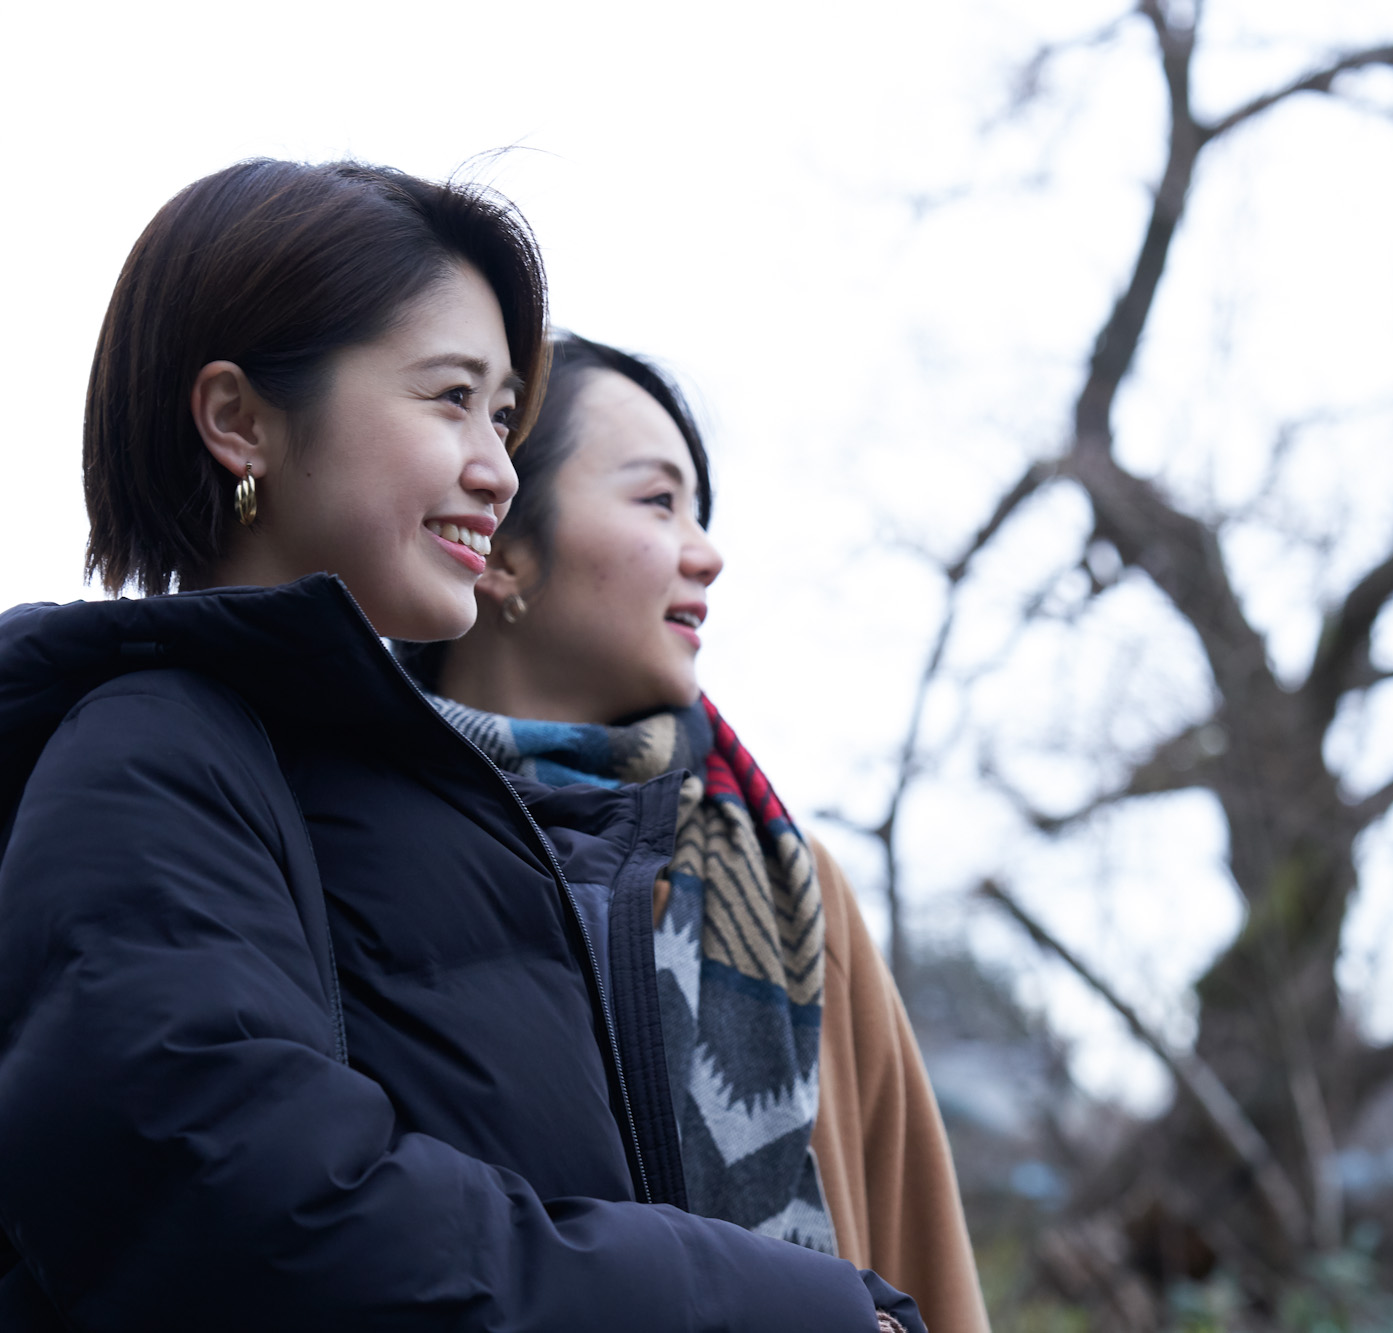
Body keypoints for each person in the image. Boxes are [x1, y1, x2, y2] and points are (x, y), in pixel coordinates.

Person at [0, 159, 921, 1332]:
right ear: (239, 421)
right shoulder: (146, 754)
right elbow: (260, 1224)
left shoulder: (407, 786)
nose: (497, 470)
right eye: (450, 399)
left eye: (503, 416)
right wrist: (781, 1309)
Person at [410, 334, 991, 1333]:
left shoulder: (790, 887)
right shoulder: (345, 849)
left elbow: (923, 1262)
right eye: (657, 501)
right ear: (501, 546)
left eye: (700, 513)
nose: (707, 553)